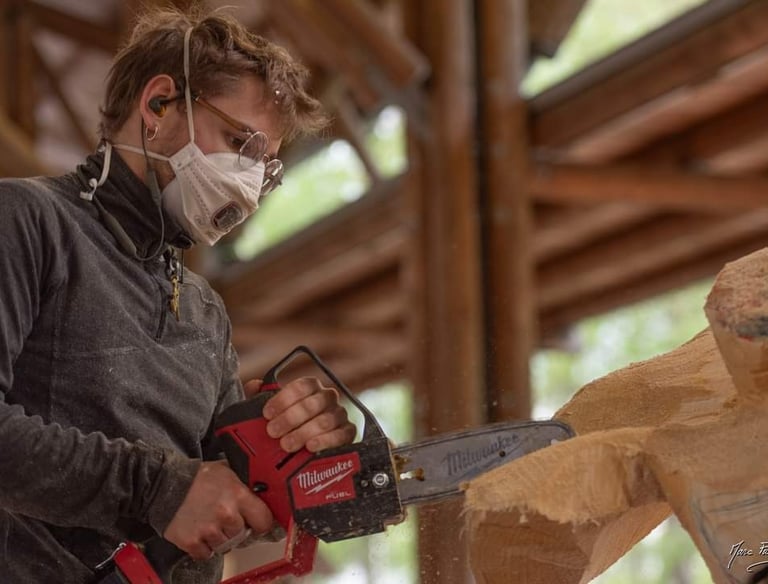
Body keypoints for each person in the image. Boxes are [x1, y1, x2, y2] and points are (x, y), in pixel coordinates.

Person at [0, 5, 356, 583]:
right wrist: (159, 489)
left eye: (264, 168)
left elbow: (223, 486)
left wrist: (289, 447)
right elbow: (177, 491)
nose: (248, 184)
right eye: (239, 142)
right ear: (158, 104)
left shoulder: (203, 309)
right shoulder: (29, 222)